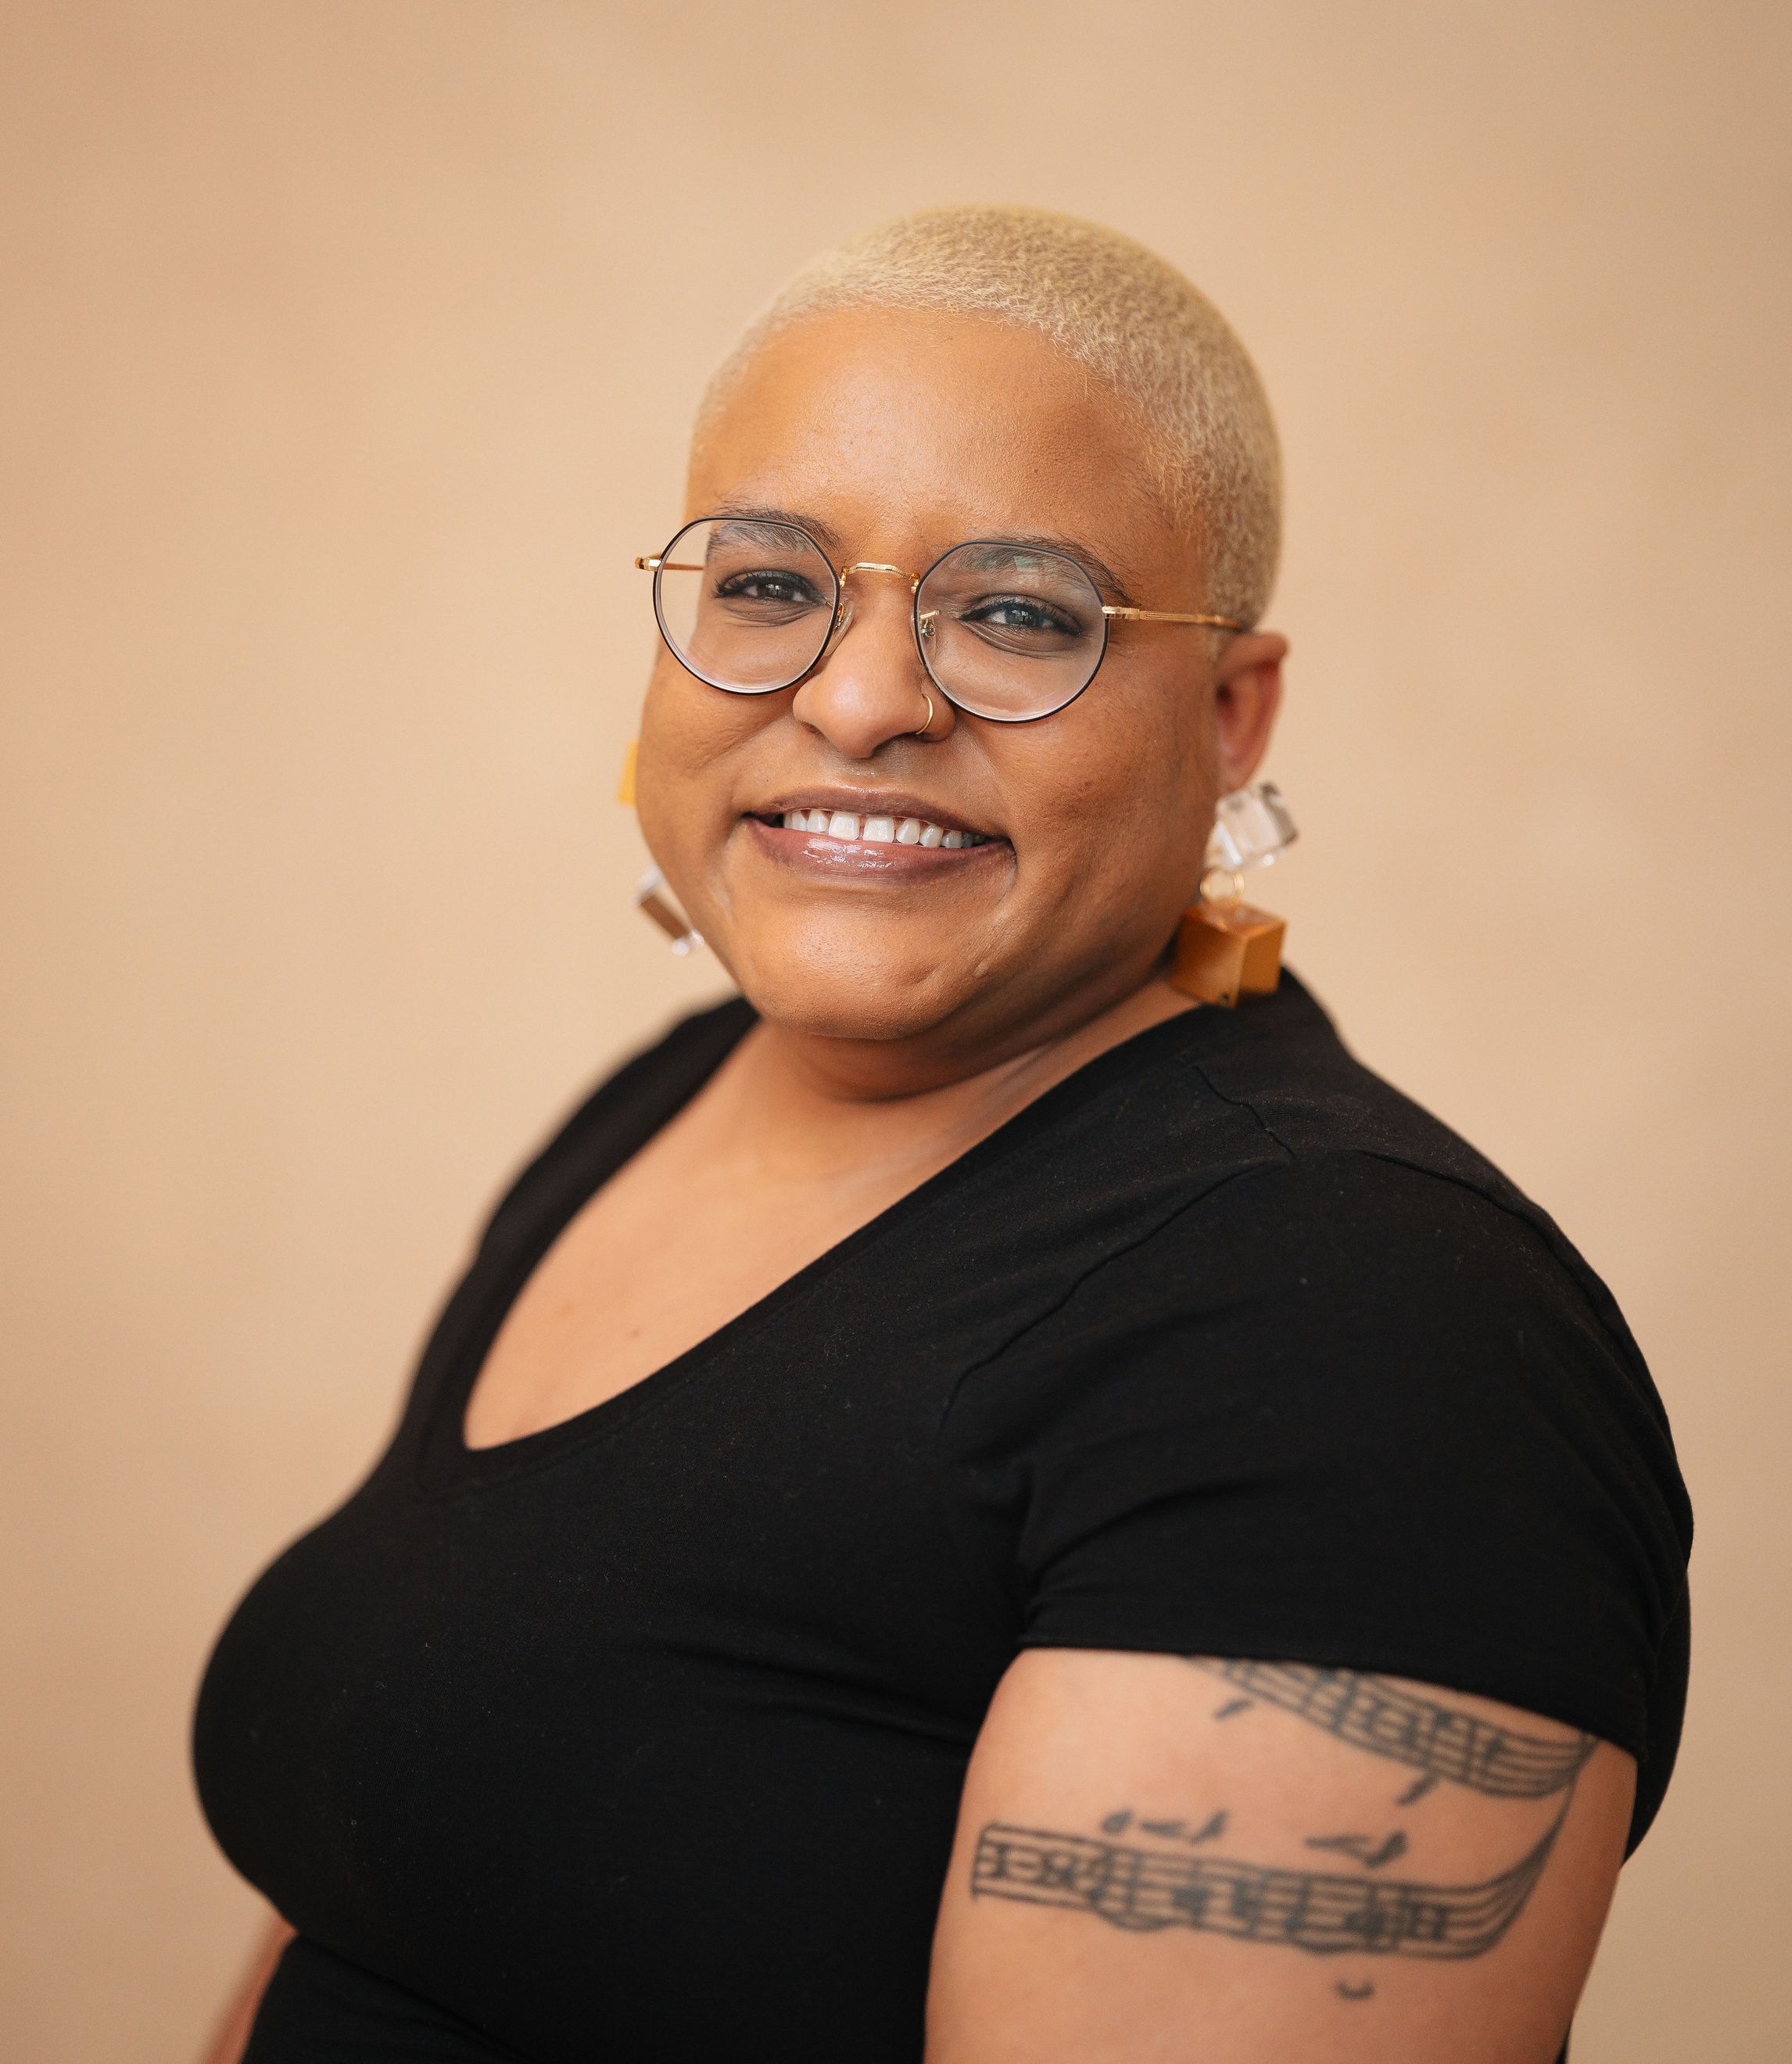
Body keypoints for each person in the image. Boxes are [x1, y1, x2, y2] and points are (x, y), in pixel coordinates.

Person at [193, 206, 1691, 2064]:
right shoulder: (669, 1096)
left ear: (1229, 715)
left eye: (1015, 614)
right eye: (763, 585)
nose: (858, 699)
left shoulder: (1359, 1340)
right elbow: (383, 1889)